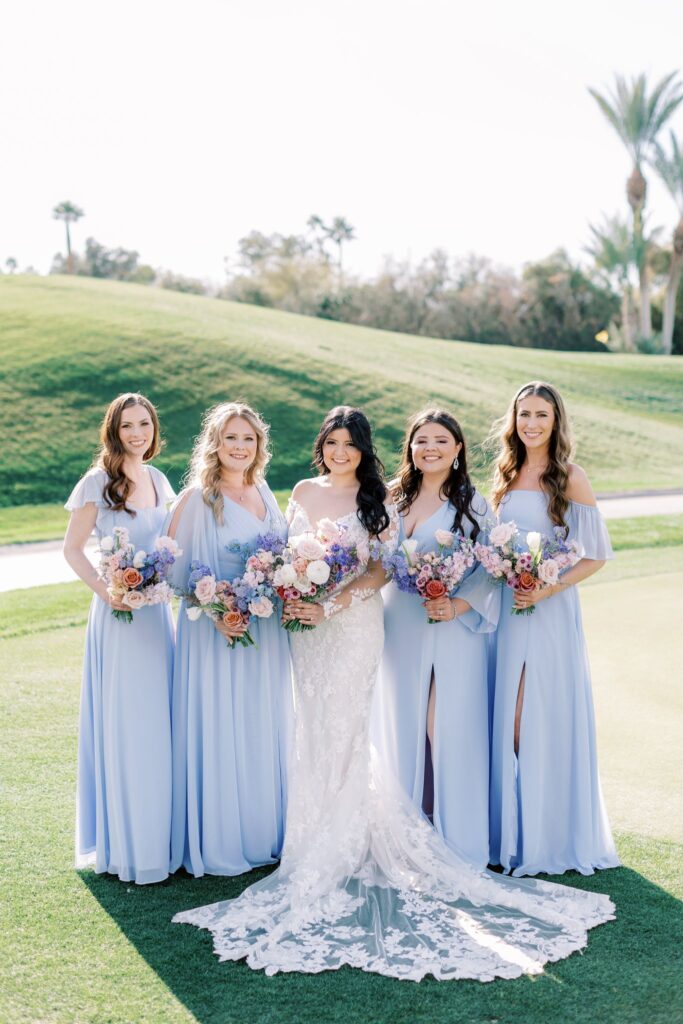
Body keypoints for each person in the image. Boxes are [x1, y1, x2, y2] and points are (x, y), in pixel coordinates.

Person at [173, 405, 615, 982]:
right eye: (331, 442)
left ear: (364, 449)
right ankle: (312, 835)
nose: (340, 452)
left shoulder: (378, 496)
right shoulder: (301, 492)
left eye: (350, 443)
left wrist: (332, 599)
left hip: (354, 625)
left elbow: (381, 567)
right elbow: (283, 555)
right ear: (321, 447)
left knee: (351, 725)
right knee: (314, 726)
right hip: (305, 630)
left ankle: (357, 840)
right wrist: (293, 589)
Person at [488, 380, 620, 877]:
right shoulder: (505, 473)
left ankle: (549, 835)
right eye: (524, 414)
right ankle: (513, 833)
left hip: (549, 610)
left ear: (556, 420)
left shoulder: (569, 476)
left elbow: (595, 557)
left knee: (536, 717)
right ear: (513, 420)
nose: (532, 424)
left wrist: (546, 587)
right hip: (508, 608)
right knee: (510, 718)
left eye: (541, 415)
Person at [166, 402, 292, 877]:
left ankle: (264, 832)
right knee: (222, 721)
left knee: (261, 721)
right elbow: (174, 573)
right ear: (214, 443)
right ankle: (223, 837)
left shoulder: (263, 491)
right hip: (216, 633)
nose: (240, 447)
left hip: (265, 629)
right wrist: (216, 610)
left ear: (259, 445)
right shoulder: (198, 497)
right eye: (231, 438)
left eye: (249, 439)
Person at [373, 409, 499, 866]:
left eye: (441, 441)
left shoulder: (474, 504)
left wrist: (458, 604)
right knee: (401, 722)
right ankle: (405, 836)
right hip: (399, 624)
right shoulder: (392, 500)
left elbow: (493, 568)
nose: (430, 448)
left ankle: (454, 838)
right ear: (410, 447)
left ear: (458, 449)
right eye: (421, 440)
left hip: (451, 625)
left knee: (443, 725)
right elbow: (373, 561)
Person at [63, 392, 175, 884]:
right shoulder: (96, 482)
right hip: (119, 617)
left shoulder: (159, 478)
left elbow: (172, 546)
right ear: (114, 429)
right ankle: (129, 846)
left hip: (156, 618)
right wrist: (108, 593)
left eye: (144, 425)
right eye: (127, 425)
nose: (136, 434)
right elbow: (72, 551)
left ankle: (162, 835)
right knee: (127, 723)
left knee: (158, 721)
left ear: (153, 431)